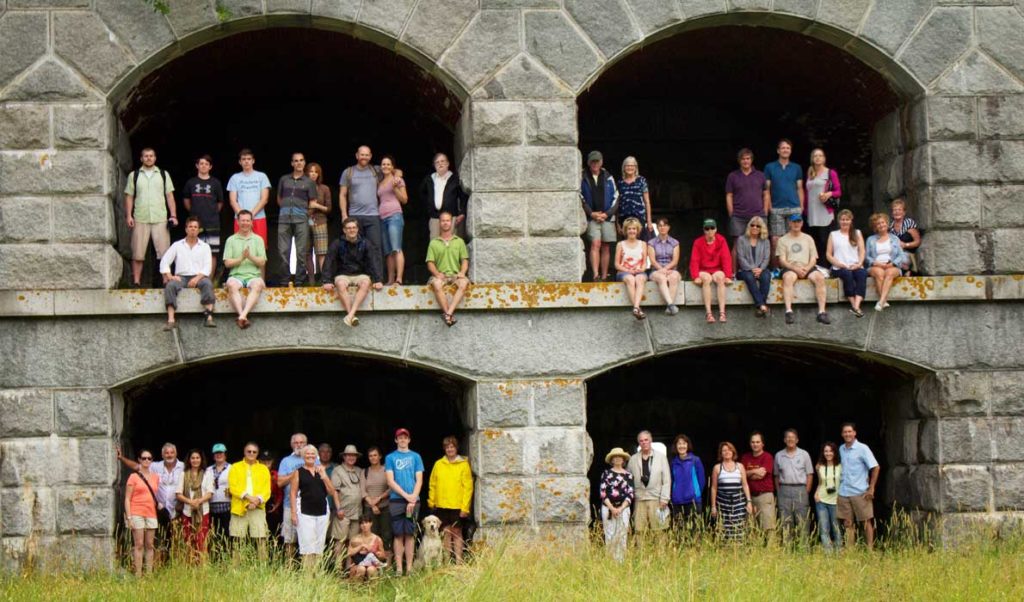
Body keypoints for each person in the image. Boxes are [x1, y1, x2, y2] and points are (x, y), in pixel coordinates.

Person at [124, 147, 177, 287]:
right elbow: (129, 196)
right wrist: (128, 215)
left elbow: (169, 196)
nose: (149, 158)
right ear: (141, 158)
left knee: (164, 252)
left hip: (160, 218)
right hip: (140, 217)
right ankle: (136, 281)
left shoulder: (163, 174)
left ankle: (166, 281)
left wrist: (173, 216)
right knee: (138, 252)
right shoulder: (134, 175)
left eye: (151, 156)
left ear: (155, 158)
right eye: (146, 156)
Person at [289, 444, 343, 573]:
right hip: (305, 512)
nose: (310, 456)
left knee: (318, 545)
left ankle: (316, 574)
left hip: (322, 512)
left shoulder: (321, 471)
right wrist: (293, 513)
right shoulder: (298, 472)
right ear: (303, 456)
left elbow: (331, 491)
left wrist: (324, 475)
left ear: (316, 456)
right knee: (308, 545)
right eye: (307, 454)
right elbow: (293, 493)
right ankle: (308, 576)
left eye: (313, 454)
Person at [321, 217, 384, 327]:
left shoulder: (365, 243)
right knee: (340, 284)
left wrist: (378, 280)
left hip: (360, 274)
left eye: (354, 227)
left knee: (365, 283)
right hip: (343, 274)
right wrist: (326, 280)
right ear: (344, 230)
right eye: (349, 228)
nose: (352, 230)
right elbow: (329, 261)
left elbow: (373, 261)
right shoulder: (337, 243)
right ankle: (352, 316)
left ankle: (350, 314)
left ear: (357, 229)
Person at [159, 217, 216, 330]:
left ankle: (209, 317)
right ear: (186, 229)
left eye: (195, 227)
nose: (193, 229)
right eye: (190, 227)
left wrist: (196, 279)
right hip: (181, 277)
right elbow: (164, 261)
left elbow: (207, 267)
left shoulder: (205, 247)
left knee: (207, 284)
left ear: (199, 230)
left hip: (199, 276)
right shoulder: (177, 245)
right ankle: (171, 320)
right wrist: (170, 276)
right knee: (170, 286)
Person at [339, 145, 385, 281]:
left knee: (375, 248)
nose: (364, 157)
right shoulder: (348, 172)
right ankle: (360, 278)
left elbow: (393, 171)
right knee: (355, 248)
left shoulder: (376, 170)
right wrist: (344, 215)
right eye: (362, 154)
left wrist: (398, 174)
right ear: (357, 156)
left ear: (370, 156)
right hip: (354, 216)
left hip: (373, 215)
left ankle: (378, 279)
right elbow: (342, 195)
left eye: (367, 155)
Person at [427, 436, 474, 564]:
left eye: (452, 447)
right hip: (441, 504)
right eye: (447, 447)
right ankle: (447, 560)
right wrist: (431, 501)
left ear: (456, 448)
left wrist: (465, 507)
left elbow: (468, 487)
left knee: (457, 532)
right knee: (446, 532)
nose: (450, 449)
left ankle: (458, 561)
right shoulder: (438, 464)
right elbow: (433, 483)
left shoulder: (463, 465)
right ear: (444, 449)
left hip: (457, 505)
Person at [777, 214, 830, 325]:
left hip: (807, 266)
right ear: (790, 223)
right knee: (788, 278)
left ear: (802, 223)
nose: (796, 224)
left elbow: (813, 258)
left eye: (798, 221)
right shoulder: (782, 240)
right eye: (794, 222)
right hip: (791, 267)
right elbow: (782, 261)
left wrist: (806, 268)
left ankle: (822, 312)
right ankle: (788, 311)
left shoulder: (808, 238)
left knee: (819, 277)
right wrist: (795, 268)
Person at [385, 428, 424, 576]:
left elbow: (419, 479)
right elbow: (390, 480)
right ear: (396, 440)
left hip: (413, 500)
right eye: (399, 438)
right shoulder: (390, 457)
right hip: (397, 500)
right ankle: (399, 568)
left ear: (409, 440)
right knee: (398, 534)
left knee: (410, 534)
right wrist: (406, 496)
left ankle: (409, 568)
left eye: (405, 437)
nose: (402, 440)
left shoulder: (416, 457)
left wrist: (413, 497)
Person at [275, 152, 319, 286]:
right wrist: (285, 209)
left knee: (301, 253)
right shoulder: (284, 179)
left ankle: (299, 282)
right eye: (296, 161)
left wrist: (305, 214)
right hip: (284, 220)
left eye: (301, 160)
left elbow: (313, 202)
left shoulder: (310, 182)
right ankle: (284, 281)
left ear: (304, 163)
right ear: (292, 163)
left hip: (301, 220)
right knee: (283, 251)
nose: (298, 163)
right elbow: (279, 198)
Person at [181, 154, 224, 281]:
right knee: (194, 250)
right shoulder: (191, 182)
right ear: (197, 166)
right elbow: (186, 200)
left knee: (212, 253)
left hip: (212, 223)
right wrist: (194, 213)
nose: (203, 166)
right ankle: (195, 279)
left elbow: (220, 203)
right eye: (201, 163)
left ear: (210, 166)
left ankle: (208, 280)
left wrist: (211, 212)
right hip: (195, 224)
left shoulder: (216, 183)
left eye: (206, 164)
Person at [838, 422, 880, 549]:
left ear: (855, 433)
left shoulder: (863, 448)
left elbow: (876, 467)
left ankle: (870, 549)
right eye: (845, 432)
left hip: (860, 491)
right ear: (842, 434)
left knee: (866, 521)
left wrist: (871, 487)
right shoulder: (841, 449)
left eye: (850, 431)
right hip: (844, 491)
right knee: (847, 523)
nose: (847, 434)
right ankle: (851, 549)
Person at [222, 210, 267, 329]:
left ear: (252, 222)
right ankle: (243, 315)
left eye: (248, 220)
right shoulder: (231, 240)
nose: (245, 223)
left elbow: (262, 262)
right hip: (236, 275)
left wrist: (250, 256)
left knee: (258, 285)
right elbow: (227, 263)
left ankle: (242, 315)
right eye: (242, 220)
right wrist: (241, 258)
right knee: (231, 284)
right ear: (238, 222)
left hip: (254, 275)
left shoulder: (258, 239)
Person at [227, 442, 271, 560]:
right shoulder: (235, 467)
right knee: (237, 539)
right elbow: (233, 487)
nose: (251, 454)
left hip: (257, 507)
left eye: (254, 452)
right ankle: (236, 568)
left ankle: (263, 567)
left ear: (257, 454)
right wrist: (248, 499)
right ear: (244, 452)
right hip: (239, 507)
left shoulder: (263, 469)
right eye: (249, 451)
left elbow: (267, 490)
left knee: (261, 538)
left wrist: (256, 501)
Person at [277, 433, 318, 560]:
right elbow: (279, 483)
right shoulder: (286, 461)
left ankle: (308, 569)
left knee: (309, 539)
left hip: (310, 506)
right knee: (290, 539)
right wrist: (295, 474)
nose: (299, 445)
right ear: (291, 444)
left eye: (302, 443)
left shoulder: (314, 458)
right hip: (290, 505)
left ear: (306, 444)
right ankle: (290, 569)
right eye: (296, 442)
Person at [764, 139, 805, 268]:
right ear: (778, 150)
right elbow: (767, 189)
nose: (785, 150)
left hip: (794, 208)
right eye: (783, 148)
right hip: (776, 208)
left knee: (794, 239)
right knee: (776, 240)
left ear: (791, 151)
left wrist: (801, 206)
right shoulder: (770, 167)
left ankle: (792, 268)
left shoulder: (796, 167)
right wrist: (769, 206)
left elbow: (799, 188)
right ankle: (776, 270)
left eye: (788, 148)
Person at [426, 211, 470, 327]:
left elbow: (465, 260)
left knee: (464, 283)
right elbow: (430, 263)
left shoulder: (459, 242)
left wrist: (462, 272)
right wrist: (437, 274)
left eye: (448, 221)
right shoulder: (433, 243)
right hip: (441, 275)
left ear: (451, 223)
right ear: (439, 223)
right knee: (436, 284)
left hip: (456, 275)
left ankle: (448, 313)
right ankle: (448, 314)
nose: (445, 223)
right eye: (443, 221)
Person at [580, 150, 619, 281]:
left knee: (606, 246)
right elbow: (580, 197)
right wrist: (591, 213)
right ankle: (596, 275)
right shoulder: (583, 176)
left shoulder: (608, 177)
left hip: (607, 217)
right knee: (595, 244)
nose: (595, 164)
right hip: (592, 217)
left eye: (597, 161)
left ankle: (604, 276)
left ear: (601, 162)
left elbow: (616, 197)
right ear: (588, 163)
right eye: (592, 161)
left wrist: (606, 214)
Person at [774, 428, 814, 543]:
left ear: (797, 440)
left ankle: (803, 548)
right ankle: (787, 549)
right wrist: (779, 491)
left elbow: (810, 474)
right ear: (784, 440)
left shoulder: (804, 454)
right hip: (784, 489)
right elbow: (776, 475)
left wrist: (806, 491)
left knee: (802, 520)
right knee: (785, 520)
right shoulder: (779, 455)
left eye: (793, 437)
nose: (790, 439)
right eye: (788, 437)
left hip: (800, 489)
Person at [626, 430, 671, 534]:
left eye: (646, 440)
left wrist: (664, 498)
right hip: (639, 499)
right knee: (640, 531)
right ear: (639, 443)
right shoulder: (633, 459)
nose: (644, 442)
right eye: (641, 441)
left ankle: (661, 551)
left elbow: (667, 480)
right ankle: (642, 550)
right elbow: (628, 481)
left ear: (651, 440)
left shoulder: (661, 457)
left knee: (659, 530)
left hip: (657, 499)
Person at [690, 218, 733, 323]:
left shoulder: (721, 240)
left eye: (712, 228)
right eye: (707, 228)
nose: (710, 231)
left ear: (716, 229)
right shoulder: (698, 242)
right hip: (703, 269)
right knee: (706, 279)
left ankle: (722, 313)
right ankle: (709, 313)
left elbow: (726, 258)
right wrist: (695, 276)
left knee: (720, 278)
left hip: (717, 269)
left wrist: (728, 275)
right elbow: (694, 260)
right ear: (704, 230)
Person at [124, 449, 159, 577]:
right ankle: (138, 573)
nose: (146, 461)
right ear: (139, 460)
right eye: (144, 458)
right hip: (136, 511)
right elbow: (127, 498)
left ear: (152, 460)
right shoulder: (133, 477)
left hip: (151, 512)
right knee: (139, 544)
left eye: (149, 458)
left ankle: (149, 574)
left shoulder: (155, 477)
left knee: (150, 544)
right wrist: (129, 517)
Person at [175, 449, 214, 564]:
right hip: (187, 511)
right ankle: (189, 564)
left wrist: (199, 501)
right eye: (193, 458)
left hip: (203, 512)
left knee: (201, 540)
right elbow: (178, 493)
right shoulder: (183, 474)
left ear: (201, 460)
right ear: (189, 460)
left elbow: (210, 493)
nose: (195, 460)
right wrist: (190, 502)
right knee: (188, 539)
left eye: (197, 458)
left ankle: (202, 565)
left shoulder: (207, 473)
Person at [826, 209, 867, 317]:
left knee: (862, 274)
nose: (845, 222)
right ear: (839, 221)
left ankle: (857, 306)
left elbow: (862, 250)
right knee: (847, 275)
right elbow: (828, 254)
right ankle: (854, 305)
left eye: (847, 219)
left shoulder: (857, 233)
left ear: (851, 220)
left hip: (855, 264)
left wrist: (859, 263)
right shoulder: (833, 234)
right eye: (842, 219)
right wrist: (838, 263)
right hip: (839, 267)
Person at [709, 441, 753, 542]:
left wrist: (749, 501)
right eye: (724, 450)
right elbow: (714, 488)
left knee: (739, 528)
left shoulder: (740, 466)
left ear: (733, 452)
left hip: (739, 503)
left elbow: (745, 485)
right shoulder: (717, 468)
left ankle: (739, 551)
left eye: (729, 450)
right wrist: (713, 506)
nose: (727, 452)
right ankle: (726, 551)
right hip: (723, 504)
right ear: (721, 453)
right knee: (724, 529)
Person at [226, 148, 271, 246]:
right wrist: (242, 217)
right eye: (244, 159)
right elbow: (233, 200)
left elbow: (264, 199)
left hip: (258, 217)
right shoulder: (235, 178)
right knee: (239, 248)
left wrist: (250, 216)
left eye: (249, 159)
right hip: (240, 219)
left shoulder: (262, 176)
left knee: (260, 247)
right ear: (240, 162)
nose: (246, 161)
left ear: (253, 161)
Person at [805, 148, 841, 266]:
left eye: (820, 155)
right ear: (812, 159)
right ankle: (815, 267)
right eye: (815, 156)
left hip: (824, 212)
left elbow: (838, 191)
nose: (818, 158)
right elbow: (806, 193)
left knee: (825, 242)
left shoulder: (830, 173)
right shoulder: (810, 173)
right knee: (813, 242)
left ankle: (827, 267)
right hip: (811, 213)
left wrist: (828, 194)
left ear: (824, 158)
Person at [725, 148, 769, 245]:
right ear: (739, 161)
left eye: (748, 158)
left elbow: (766, 194)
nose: (745, 161)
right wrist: (731, 213)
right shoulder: (732, 176)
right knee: (737, 243)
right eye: (743, 159)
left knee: (758, 243)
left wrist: (765, 211)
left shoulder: (760, 175)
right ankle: (735, 261)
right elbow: (729, 195)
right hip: (738, 216)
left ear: (751, 160)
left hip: (758, 215)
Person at [866, 212, 909, 313]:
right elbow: (866, 256)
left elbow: (901, 256)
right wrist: (875, 263)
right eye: (878, 223)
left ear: (887, 223)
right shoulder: (870, 239)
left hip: (892, 264)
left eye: (883, 222)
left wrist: (893, 263)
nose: (881, 225)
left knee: (889, 273)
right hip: (876, 265)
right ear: (875, 226)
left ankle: (881, 301)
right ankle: (883, 301)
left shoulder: (894, 239)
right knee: (879, 273)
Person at [331, 444, 364, 571]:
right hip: (343, 512)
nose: (351, 457)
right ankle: (338, 569)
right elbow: (335, 491)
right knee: (340, 541)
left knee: (353, 541)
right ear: (344, 457)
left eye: (353, 455)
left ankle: (350, 568)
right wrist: (338, 508)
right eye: (348, 455)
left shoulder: (359, 471)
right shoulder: (337, 470)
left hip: (357, 512)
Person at [419, 153, 467, 240]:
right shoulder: (429, 179)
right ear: (434, 165)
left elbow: (463, 196)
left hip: (451, 217)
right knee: (435, 244)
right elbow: (421, 194)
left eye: (442, 161)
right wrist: (429, 207)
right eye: (437, 162)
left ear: (447, 163)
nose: (440, 164)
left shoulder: (455, 179)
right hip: (435, 218)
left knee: (450, 244)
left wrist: (462, 212)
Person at [599, 447, 634, 562]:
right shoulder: (606, 473)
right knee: (609, 534)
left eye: (620, 457)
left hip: (623, 509)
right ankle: (610, 561)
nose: (618, 458)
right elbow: (603, 493)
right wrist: (612, 508)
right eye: (615, 457)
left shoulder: (629, 475)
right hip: (608, 508)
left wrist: (621, 508)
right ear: (612, 460)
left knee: (622, 535)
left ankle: (621, 562)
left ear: (623, 460)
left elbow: (630, 494)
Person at [378, 155, 408, 286]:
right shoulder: (380, 182)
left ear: (392, 167)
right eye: (383, 164)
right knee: (388, 251)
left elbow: (405, 200)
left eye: (388, 164)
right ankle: (390, 279)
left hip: (394, 215)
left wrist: (395, 187)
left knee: (396, 248)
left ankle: (399, 279)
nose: (385, 166)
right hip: (382, 218)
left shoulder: (397, 180)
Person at [741, 432, 776, 536]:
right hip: (749, 497)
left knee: (768, 526)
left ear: (762, 444)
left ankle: (770, 550)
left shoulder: (767, 457)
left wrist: (747, 474)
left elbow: (761, 475)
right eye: (753, 442)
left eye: (757, 442)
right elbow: (741, 475)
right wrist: (755, 471)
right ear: (750, 444)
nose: (755, 444)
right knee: (751, 526)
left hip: (764, 496)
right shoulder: (745, 457)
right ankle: (754, 550)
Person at [361, 446, 392, 563]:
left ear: (380, 456)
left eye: (375, 455)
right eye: (370, 456)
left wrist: (379, 499)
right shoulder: (365, 472)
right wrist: (373, 504)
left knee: (386, 536)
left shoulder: (386, 470)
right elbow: (362, 491)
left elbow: (391, 488)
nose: (373, 458)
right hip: (369, 509)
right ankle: (372, 564)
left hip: (385, 507)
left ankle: (387, 565)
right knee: (371, 537)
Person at [736, 216, 772, 317]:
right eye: (752, 225)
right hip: (745, 270)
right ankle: (762, 304)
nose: (755, 227)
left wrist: (760, 269)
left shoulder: (765, 241)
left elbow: (766, 258)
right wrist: (752, 269)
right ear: (749, 226)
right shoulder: (741, 239)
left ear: (762, 228)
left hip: (761, 269)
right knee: (749, 277)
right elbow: (741, 257)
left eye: (758, 226)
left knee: (766, 276)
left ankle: (760, 307)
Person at [669, 434, 705, 532]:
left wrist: (696, 494)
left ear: (688, 445)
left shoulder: (695, 460)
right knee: (680, 531)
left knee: (694, 530)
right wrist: (674, 495)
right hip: (677, 501)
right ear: (675, 446)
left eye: (684, 443)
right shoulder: (673, 462)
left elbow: (701, 480)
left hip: (693, 501)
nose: (682, 446)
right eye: (679, 444)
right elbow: (671, 480)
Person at [615, 217, 648, 320]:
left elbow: (645, 263)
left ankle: (635, 308)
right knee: (630, 279)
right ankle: (637, 308)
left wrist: (641, 269)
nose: (632, 231)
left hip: (639, 271)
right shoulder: (620, 244)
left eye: (634, 229)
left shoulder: (643, 244)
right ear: (626, 230)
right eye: (629, 229)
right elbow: (616, 264)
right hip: (624, 272)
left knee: (639, 279)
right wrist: (628, 270)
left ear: (637, 230)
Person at [305, 162, 332, 283]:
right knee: (306, 252)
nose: (313, 174)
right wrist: (309, 208)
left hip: (320, 221)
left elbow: (329, 208)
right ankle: (311, 281)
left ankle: (324, 279)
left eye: (316, 172)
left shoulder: (324, 188)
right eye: (311, 171)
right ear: (307, 173)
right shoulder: (302, 187)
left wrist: (316, 205)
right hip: (304, 222)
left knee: (321, 252)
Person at [647, 217, 681, 315]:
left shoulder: (675, 243)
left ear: (668, 227)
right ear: (657, 227)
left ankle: (668, 308)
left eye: (665, 225)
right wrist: (661, 270)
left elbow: (675, 261)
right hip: (656, 270)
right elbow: (653, 261)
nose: (662, 228)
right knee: (662, 278)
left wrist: (666, 269)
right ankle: (670, 304)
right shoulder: (651, 243)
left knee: (674, 277)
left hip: (671, 269)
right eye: (660, 226)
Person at [814, 441, 843, 551]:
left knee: (836, 528)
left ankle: (838, 551)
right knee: (824, 528)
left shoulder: (840, 466)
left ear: (835, 452)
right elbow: (820, 482)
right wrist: (816, 493)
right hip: (821, 500)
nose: (828, 453)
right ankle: (828, 553)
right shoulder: (819, 466)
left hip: (836, 500)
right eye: (826, 451)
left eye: (831, 451)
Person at [616, 156, 653, 241]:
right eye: (627, 165)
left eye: (632, 165)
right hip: (624, 218)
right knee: (625, 244)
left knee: (640, 243)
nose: (630, 168)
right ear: (624, 167)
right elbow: (617, 203)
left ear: (636, 167)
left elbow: (647, 202)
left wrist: (649, 221)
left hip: (639, 217)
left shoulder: (641, 181)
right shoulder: (620, 183)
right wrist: (617, 223)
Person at [205, 443, 232, 549]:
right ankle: (215, 558)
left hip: (227, 506)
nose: (218, 455)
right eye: (216, 453)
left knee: (226, 533)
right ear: (213, 455)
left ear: (225, 454)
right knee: (214, 534)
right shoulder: (208, 470)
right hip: (212, 506)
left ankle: (226, 558)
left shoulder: (232, 468)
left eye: (221, 452)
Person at [348, 514, 385, 582]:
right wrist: (360, 546)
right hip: (358, 564)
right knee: (361, 569)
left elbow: (383, 556)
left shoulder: (377, 539)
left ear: (371, 523)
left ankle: (373, 591)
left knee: (371, 569)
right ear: (359, 525)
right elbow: (349, 553)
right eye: (362, 523)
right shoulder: (355, 539)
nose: (364, 525)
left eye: (366, 522)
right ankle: (357, 590)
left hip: (372, 564)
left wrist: (377, 553)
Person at [889, 197, 921, 272]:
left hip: (907, 254)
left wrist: (905, 245)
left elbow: (918, 242)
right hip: (894, 255)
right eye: (895, 210)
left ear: (904, 212)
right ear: (892, 212)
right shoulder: (890, 226)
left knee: (902, 261)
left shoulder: (909, 223)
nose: (897, 212)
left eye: (899, 210)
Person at [260, 450, 283, 541]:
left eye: (268, 461)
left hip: (273, 507)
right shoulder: (256, 473)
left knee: (274, 533)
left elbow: (280, 493)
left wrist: (276, 506)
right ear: (260, 461)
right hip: (259, 505)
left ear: (272, 461)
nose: (266, 463)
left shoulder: (275, 474)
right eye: (264, 461)